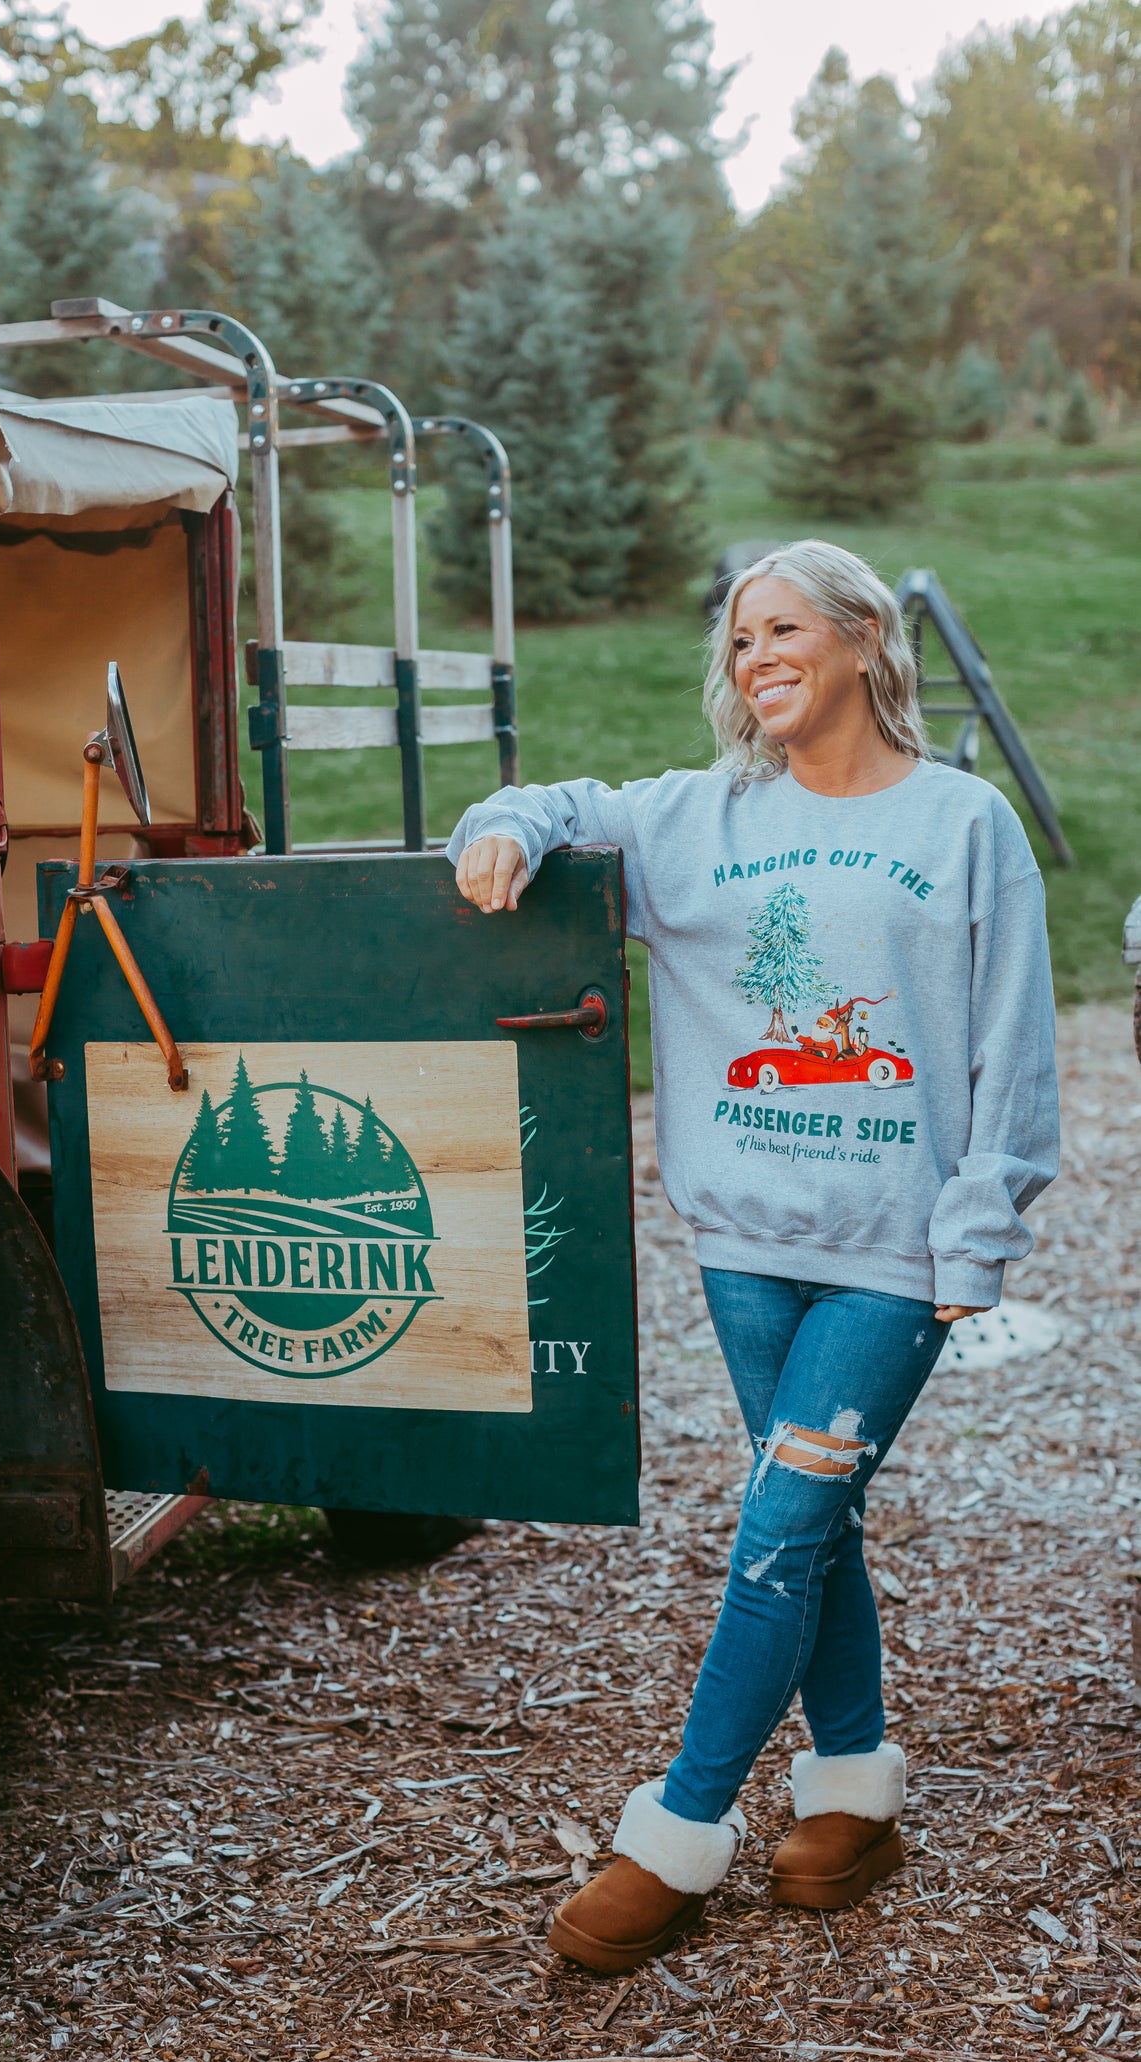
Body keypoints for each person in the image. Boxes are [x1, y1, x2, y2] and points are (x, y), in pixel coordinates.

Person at [449, 539, 1059, 1975]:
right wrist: (506, 825)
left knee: (781, 1530)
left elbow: (1014, 1045)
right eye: (739, 640)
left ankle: (680, 1828)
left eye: (784, 629)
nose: (757, 657)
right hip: (743, 1245)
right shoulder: (698, 818)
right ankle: (853, 1792)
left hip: (892, 1257)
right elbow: (560, 802)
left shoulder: (962, 822)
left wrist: (977, 1234)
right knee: (815, 1523)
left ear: (864, 639)